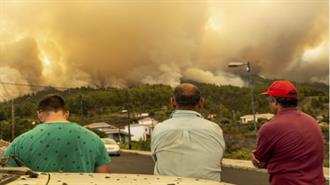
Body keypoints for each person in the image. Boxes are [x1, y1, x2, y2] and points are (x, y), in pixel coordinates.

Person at [2, 94, 111, 173]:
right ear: (67, 113)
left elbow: (7, 175)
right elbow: (103, 177)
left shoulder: (19, 142)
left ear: (39, 115)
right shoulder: (94, 139)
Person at [251, 80, 325, 184]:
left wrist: (253, 156)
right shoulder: (312, 121)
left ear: (275, 101)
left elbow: (260, 161)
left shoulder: (270, 127)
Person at [151, 83, 226, 181]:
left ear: (172, 102)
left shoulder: (159, 129)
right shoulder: (215, 129)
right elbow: (218, 161)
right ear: (201, 102)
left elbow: (157, 159)